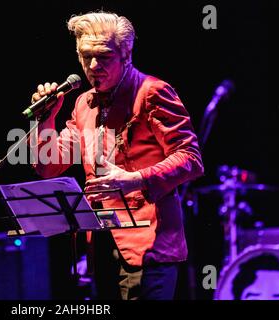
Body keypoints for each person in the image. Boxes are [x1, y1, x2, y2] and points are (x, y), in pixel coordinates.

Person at [29, 11, 204, 300]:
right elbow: (47, 167)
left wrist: (134, 179)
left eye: (104, 56)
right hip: (99, 244)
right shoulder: (83, 104)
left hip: (150, 245)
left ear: (127, 54)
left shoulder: (152, 92)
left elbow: (190, 158)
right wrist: (44, 120)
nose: (93, 66)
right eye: (86, 57)